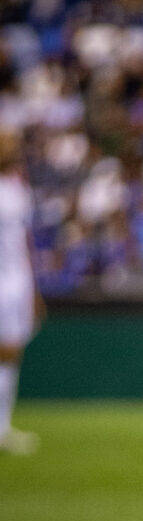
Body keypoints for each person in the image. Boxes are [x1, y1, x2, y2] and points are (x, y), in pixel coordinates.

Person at [0, 129, 43, 454]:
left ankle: (2, 426)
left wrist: (33, 289)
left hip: (16, 282)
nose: (12, 148)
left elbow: (23, 242)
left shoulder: (17, 188)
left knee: (11, 351)